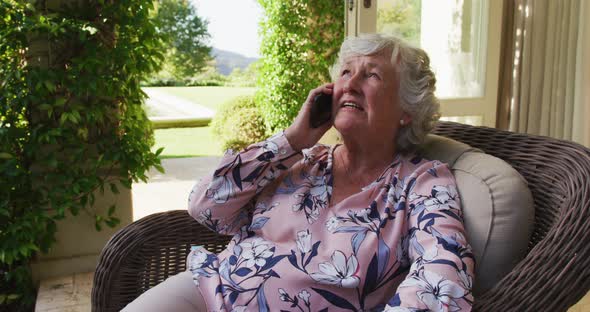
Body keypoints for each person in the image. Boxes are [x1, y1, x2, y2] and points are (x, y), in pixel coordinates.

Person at [123, 33, 475, 312]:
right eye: (346, 72)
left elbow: (442, 280)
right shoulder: (304, 159)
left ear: (406, 110)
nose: (350, 84)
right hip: (209, 292)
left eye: (371, 75)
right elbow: (205, 207)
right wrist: (292, 139)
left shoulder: (423, 181)